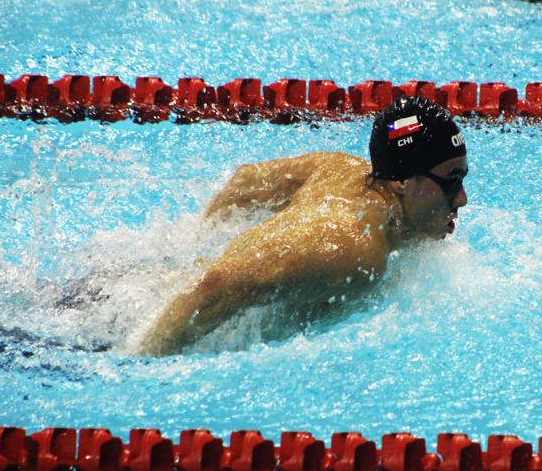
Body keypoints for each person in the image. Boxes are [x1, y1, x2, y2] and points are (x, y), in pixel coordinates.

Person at [137, 96, 469, 357]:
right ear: (401, 181)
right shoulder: (353, 250)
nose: (462, 199)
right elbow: (216, 286)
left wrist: (196, 245)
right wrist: (141, 359)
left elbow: (246, 182)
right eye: (451, 181)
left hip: (150, 285)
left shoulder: (342, 169)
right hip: (141, 319)